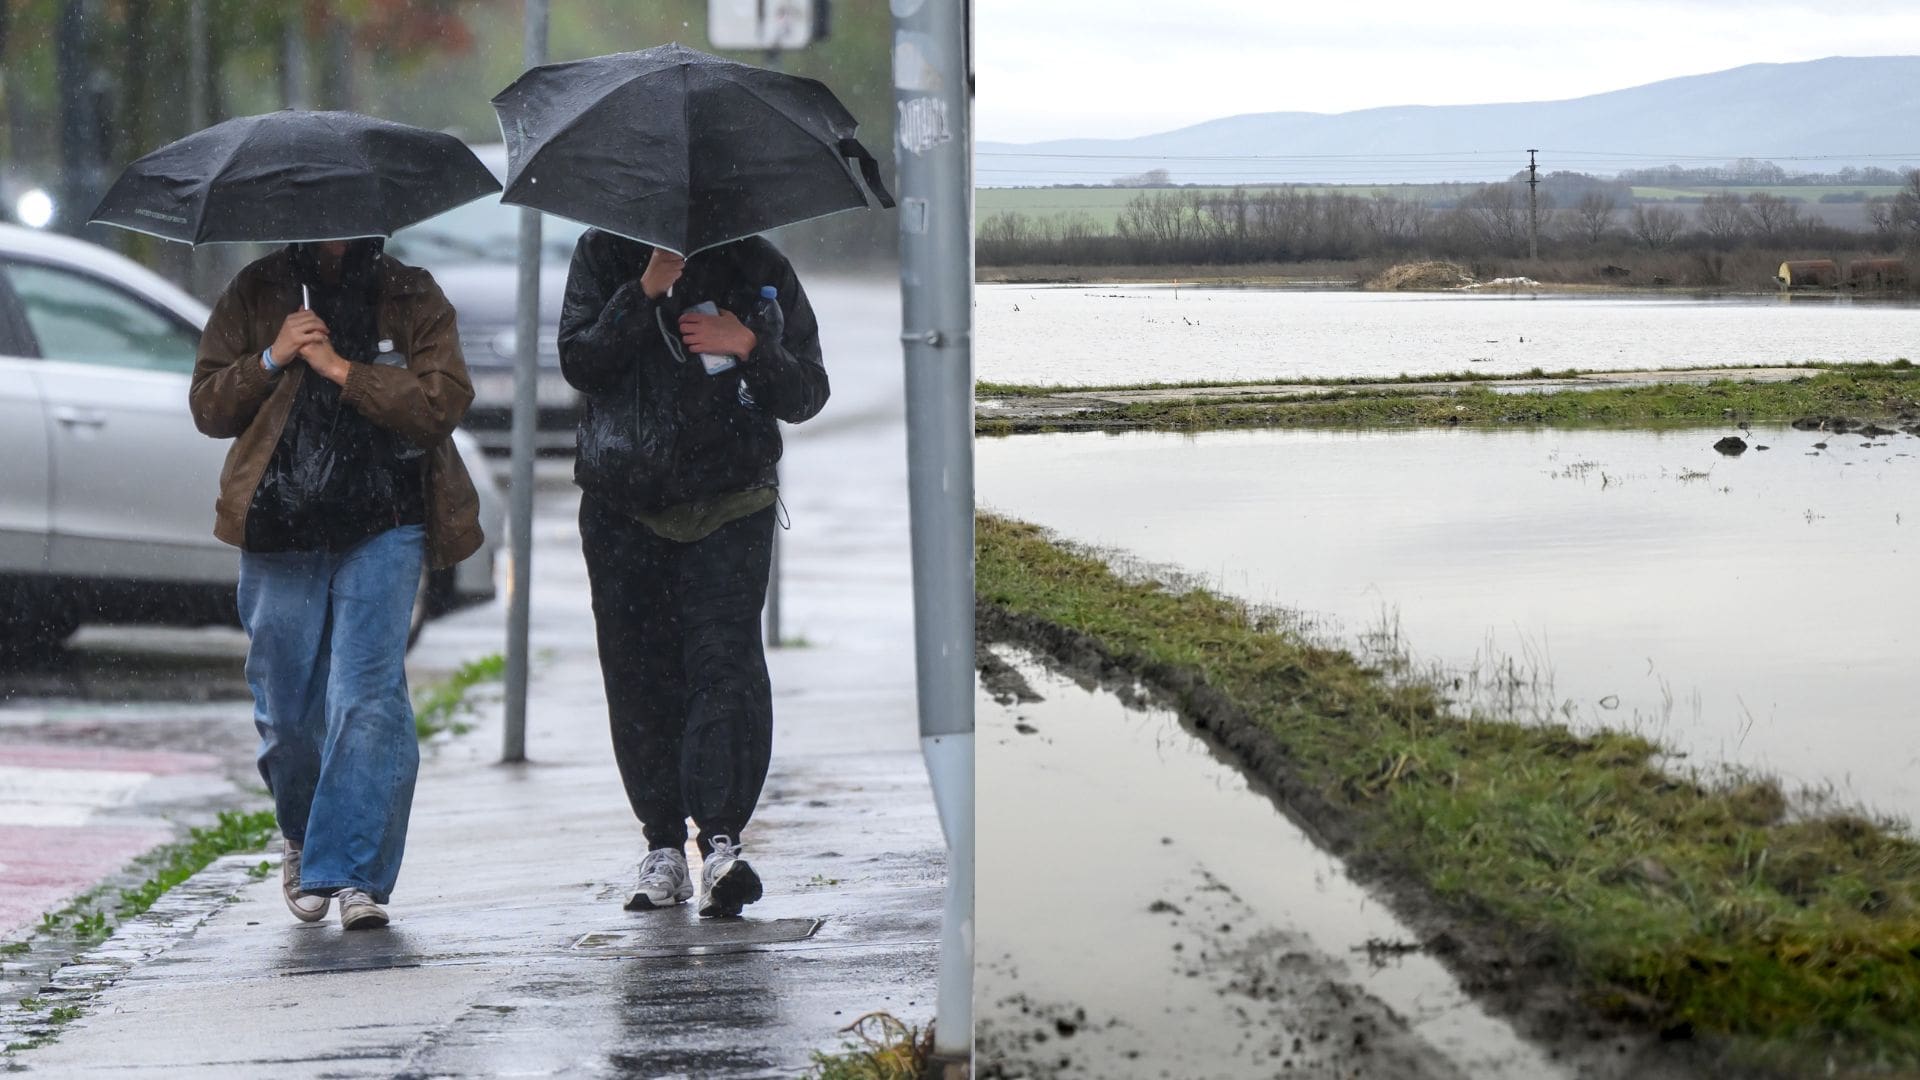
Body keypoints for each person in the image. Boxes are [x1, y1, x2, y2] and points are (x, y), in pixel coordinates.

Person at [189, 238, 481, 930]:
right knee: (287, 714)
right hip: (279, 528)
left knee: (366, 697)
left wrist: (344, 369)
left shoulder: (412, 295)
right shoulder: (258, 291)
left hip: (386, 523)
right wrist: (273, 356)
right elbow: (208, 406)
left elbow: (444, 401)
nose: (336, 231)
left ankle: (352, 874)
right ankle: (305, 834)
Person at [558, 229, 827, 917]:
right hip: (622, 508)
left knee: (723, 667)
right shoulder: (602, 254)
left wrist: (749, 347)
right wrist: (642, 291)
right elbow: (581, 362)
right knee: (638, 672)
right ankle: (661, 847)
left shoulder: (759, 265)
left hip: (731, 505)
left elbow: (806, 392)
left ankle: (722, 841)